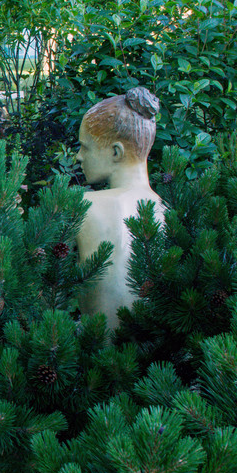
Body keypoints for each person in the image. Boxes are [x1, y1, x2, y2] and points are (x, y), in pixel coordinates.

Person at [75, 87, 163, 330]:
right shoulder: (166, 211)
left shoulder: (85, 205)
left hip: (95, 354)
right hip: (152, 359)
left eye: (85, 147)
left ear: (116, 152)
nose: (78, 157)